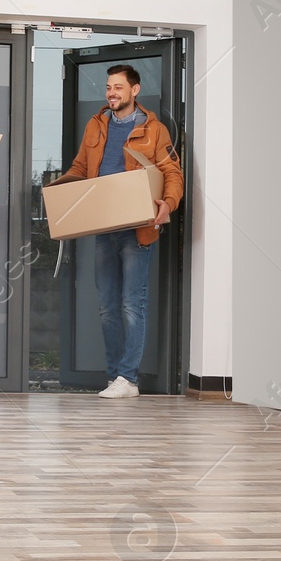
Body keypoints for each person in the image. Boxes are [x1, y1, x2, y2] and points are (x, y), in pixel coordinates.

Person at [48, 64, 184, 398]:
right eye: (109, 87)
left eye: (118, 87)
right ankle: (114, 378)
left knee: (130, 304)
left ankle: (129, 378)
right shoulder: (96, 125)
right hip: (103, 224)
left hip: (138, 228)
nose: (112, 93)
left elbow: (172, 171)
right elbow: (81, 167)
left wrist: (168, 203)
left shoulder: (154, 130)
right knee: (107, 305)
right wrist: (59, 190)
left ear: (135, 90)